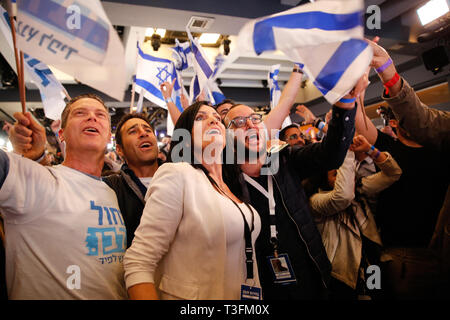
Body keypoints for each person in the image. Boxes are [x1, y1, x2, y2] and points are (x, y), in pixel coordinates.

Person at [222, 72, 368, 299]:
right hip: (258, 285)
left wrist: (345, 105)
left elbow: (331, 154)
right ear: (226, 138)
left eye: (254, 118)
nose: (250, 124)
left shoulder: (286, 159)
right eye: (238, 122)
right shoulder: (222, 182)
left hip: (310, 273)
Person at [124, 102, 262, 300]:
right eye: (200, 117)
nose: (213, 119)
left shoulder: (232, 184)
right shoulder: (177, 174)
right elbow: (139, 261)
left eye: (216, 117)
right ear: (185, 138)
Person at [0, 94, 127, 299]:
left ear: (109, 138)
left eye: (100, 115)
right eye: (80, 113)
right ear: (61, 134)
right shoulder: (40, 180)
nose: (92, 118)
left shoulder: (112, 191)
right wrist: (25, 153)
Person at [9, 112, 161, 249]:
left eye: (148, 130)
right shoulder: (108, 188)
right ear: (119, 150)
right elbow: (60, 190)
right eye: (133, 131)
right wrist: (38, 157)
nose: (143, 134)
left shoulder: (180, 178)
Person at [309, 135, 402, 299]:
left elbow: (393, 173)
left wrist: (369, 149)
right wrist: (346, 151)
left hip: (371, 264)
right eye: (335, 174)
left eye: (342, 172)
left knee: (375, 295)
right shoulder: (316, 201)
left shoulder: (359, 188)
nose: (341, 177)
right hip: (343, 276)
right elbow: (342, 196)